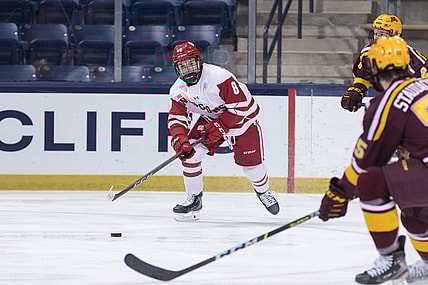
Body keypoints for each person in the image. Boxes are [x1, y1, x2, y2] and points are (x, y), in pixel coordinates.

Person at [318, 36, 428, 284]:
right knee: (414, 212)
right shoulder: (424, 86)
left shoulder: (388, 100)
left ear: (375, 68)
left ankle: (391, 259)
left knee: (372, 182)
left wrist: (339, 193)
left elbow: (365, 161)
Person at [167, 41, 280, 222]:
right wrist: (180, 139)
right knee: (190, 155)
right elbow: (177, 118)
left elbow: (241, 107)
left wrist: (221, 127)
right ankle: (194, 198)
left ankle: (263, 192)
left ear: (199, 61)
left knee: (252, 166)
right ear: (176, 68)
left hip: (242, 119)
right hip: (211, 118)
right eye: (182, 65)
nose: (187, 69)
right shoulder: (177, 90)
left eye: (190, 63)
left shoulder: (219, 77)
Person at [341, 14, 428, 112]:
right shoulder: (368, 53)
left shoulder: (408, 56)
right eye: (377, 34)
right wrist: (356, 92)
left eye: (382, 35)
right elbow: (362, 78)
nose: (378, 39)